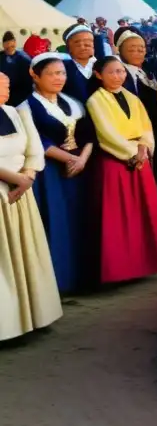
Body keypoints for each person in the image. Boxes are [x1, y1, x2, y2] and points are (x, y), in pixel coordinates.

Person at [86, 56, 157, 283]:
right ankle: (121, 268)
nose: (118, 76)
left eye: (121, 72)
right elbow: (106, 133)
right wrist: (132, 152)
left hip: (139, 158)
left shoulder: (132, 97)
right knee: (119, 217)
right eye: (112, 72)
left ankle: (143, 263)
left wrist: (144, 147)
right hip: (116, 161)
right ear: (99, 75)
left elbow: (146, 126)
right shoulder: (95, 100)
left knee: (142, 214)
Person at [20, 53, 95, 294]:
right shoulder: (26, 107)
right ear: (35, 75)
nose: (59, 78)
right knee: (56, 222)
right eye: (52, 73)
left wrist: (82, 158)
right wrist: (69, 158)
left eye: (62, 73)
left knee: (80, 220)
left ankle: (83, 278)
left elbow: (88, 134)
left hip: (80, 169)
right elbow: (36, 141)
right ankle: (58, 281)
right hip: (49, 174)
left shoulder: (73, 103)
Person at [0, 71, 62, 342]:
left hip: (21, 190)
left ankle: (33, 316)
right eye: (0, 85)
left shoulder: (15, 112)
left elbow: (35, 149)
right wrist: (17, 180)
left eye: (7, 85)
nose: (5, 89)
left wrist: (29, 175)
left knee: (25, 252)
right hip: (8, 190)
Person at [116, 27, 157, 175]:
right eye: (132, 49)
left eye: (141, 48)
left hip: (155, 127)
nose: (138, 52)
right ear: (120, 50)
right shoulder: (120, 74)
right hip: (136, 131)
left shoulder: (148, 71)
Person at [60, 23, 97, 103]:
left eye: (88, 42)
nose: (83, 47)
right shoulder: (62, 69)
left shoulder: (102, 66)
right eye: (77, 43)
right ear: (69, 48)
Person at [1, 31, 32, 107]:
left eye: (11, 46)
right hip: (2, 96)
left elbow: (29, 82)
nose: (9, 49)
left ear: (15, 43)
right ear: (3, 45)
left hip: (20, 98)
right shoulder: (1, 56)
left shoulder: (24, 59)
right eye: (7, 47)